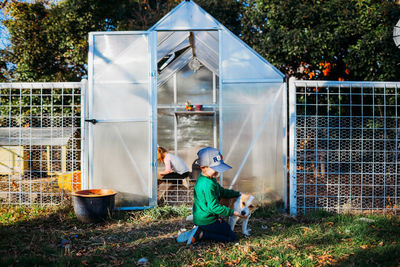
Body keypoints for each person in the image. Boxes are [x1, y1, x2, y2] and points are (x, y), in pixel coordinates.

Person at [177, 147, 247, 245]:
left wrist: (237, 193)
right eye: (215, 169)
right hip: (206, 220)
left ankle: (200, 230)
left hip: (205, 217)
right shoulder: (207, 184)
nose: (217, 172)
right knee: (232, 238)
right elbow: (213, 207)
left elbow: (221, 191)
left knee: (226, 228)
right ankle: (202, 234)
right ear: (203, 167)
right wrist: (232, 212)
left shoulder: (210, 178)